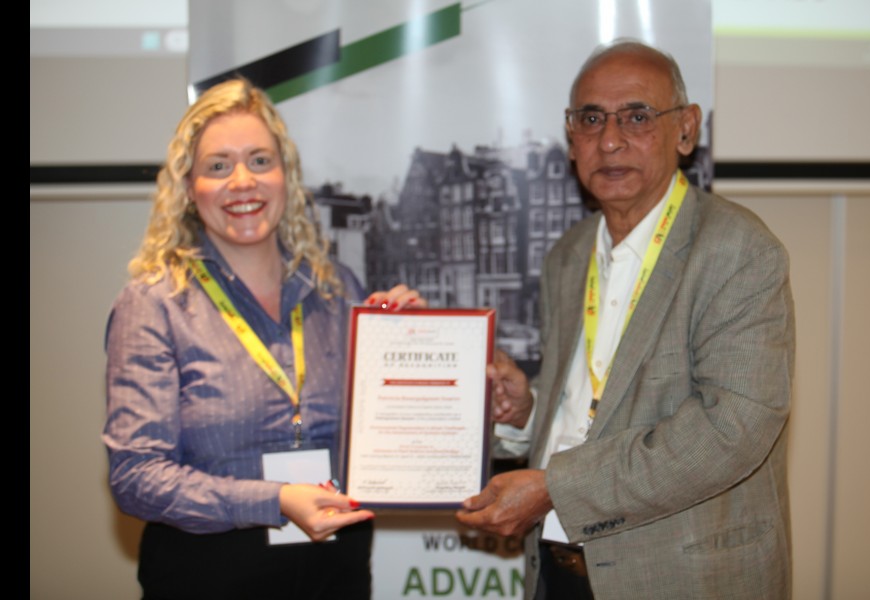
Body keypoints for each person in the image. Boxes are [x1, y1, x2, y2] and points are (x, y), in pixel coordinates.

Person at [456, 39, 795, 600]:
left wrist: (555, 488)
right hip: (555, 572)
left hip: (682, 578)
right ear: (571, 138)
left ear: (686, 129)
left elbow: (731, 429)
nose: (609, 140)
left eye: (637, 117)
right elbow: (592, 412)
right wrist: (527, 410)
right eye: (590, 119)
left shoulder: (739, 250)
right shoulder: (567, 256)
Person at [102, 78, 424, 600]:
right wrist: (274, 500)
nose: (242, 182)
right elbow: (137, 477)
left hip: (335, 574)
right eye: (218, 166)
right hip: (207, 577)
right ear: (188, 188)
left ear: (285, 175)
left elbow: (382, 436)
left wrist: (412, 346)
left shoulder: (338, 290)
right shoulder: (154, 305)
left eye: (259, 161)